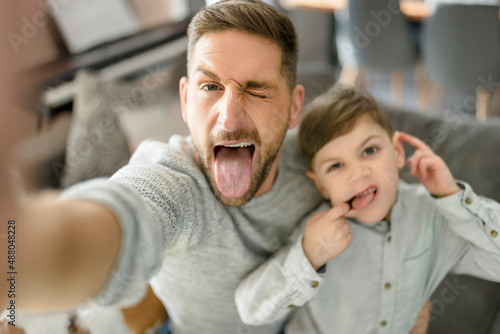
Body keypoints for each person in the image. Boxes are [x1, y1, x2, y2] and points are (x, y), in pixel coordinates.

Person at [0, 1, 324, 333]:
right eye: (210, 87)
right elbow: (102, 227)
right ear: (185, 101)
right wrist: (21, 253)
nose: (229, 118)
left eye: (256, 91)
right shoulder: (175, 185)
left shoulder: (320, 161)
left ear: (295, 107)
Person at [235, 85, 500, 333]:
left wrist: (452, 196)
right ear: (322, 187)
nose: (358, 173)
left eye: (369, 150)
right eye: (336, 166)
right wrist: (309, 256)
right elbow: (250, 309)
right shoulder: (318, 233)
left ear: (397, 152)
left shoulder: (436, 216)